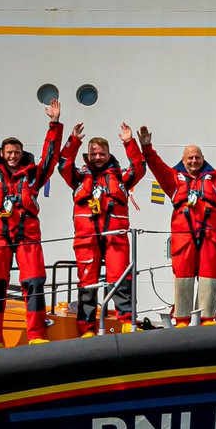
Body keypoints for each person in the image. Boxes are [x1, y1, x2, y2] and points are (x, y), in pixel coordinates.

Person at [0, 93, 63, 349]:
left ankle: (36, 334)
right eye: (9, 152)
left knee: (34, 282)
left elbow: (50, 157)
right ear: (1, 153)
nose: (13, 156)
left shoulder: (33, 175)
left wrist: (54, 124)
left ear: (22, 153)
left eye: (17, 152)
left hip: (27, 236)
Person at [139, 123, 216, 327]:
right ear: (183, 160)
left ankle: (206, 318)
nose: (194, 161)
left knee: (209, 277)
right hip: (183, 239)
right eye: (190, 158)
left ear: (203, 159)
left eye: (197, 157)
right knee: (183, 277)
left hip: (210, 238)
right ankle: (182, 319)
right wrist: (147, 147)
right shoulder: (172, 179)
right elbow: (155, 164)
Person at [59, 122, 146, 337]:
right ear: (87, 156)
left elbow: (140, 167)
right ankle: (87, 328)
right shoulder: (78, 177)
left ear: (109, 154)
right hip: (87, 239)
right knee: (87, 284)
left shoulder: (122, 178)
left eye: (102, 153)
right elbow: (62, 164)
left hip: (115, 238)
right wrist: (74, 141)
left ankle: (126, 322)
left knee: (121, 279)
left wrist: (129, 142)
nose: (98, 157)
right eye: (94, 153)